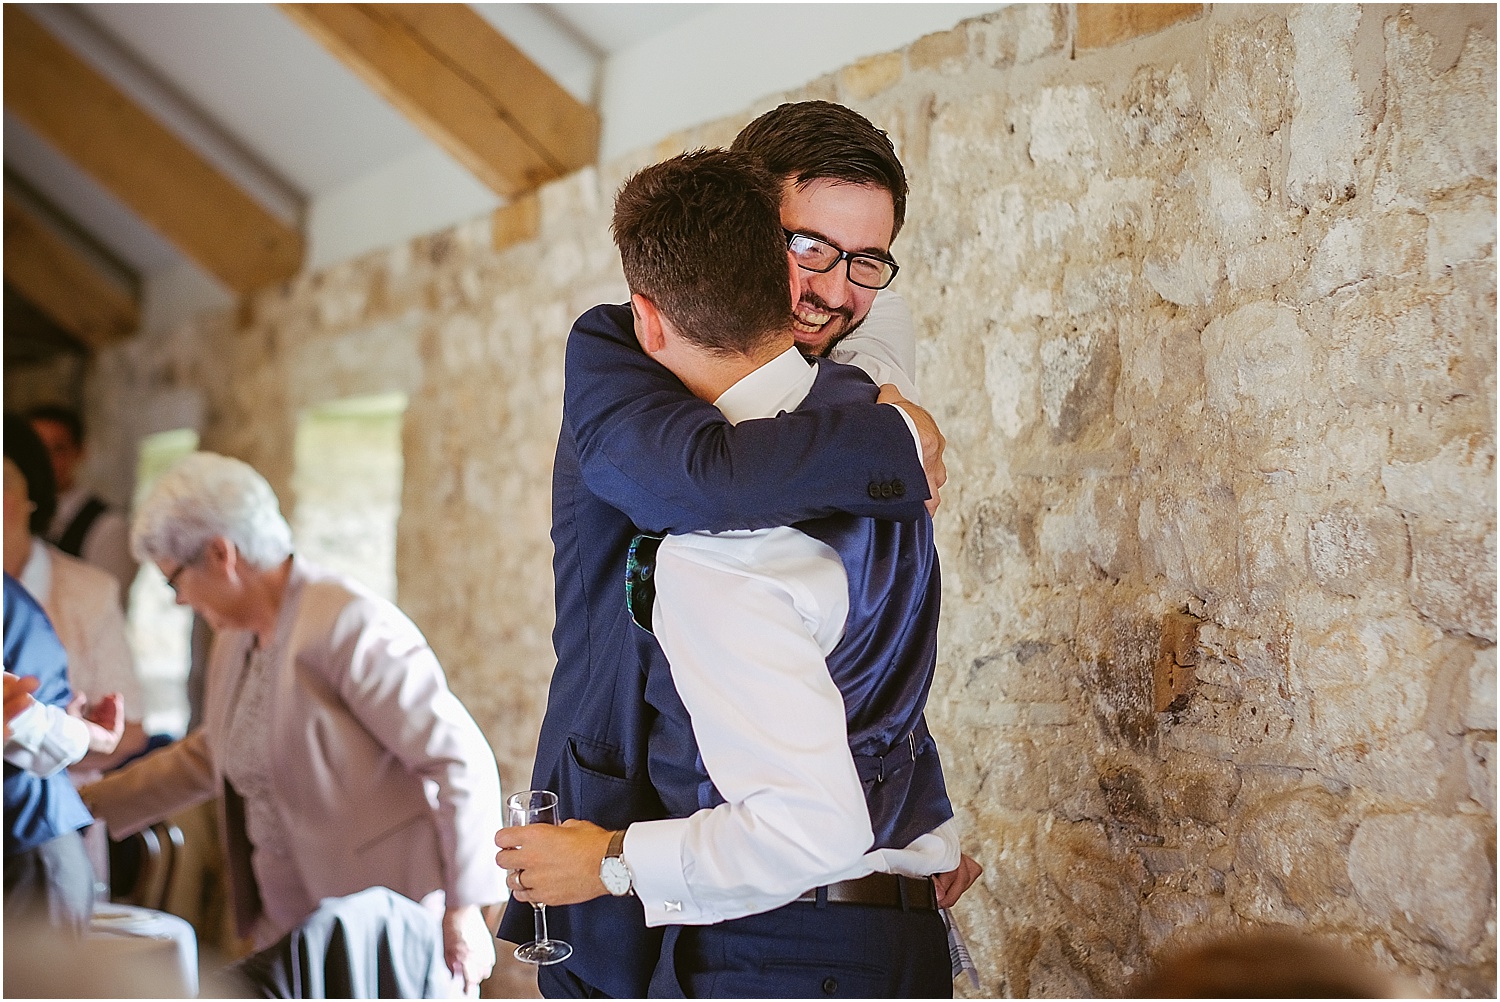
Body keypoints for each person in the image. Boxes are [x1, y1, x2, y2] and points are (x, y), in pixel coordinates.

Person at [499, 101, 966, 999]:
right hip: (621, 791)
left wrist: (908, 833)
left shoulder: (860, 356)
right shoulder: (621, 346)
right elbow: (697, 484)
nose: (835, 289)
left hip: (758, 872)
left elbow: (859, 632)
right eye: (811, 248)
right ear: (751, 233)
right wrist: (893, 442)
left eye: (866, 260)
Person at [80, 452, 505, 995]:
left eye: (174, 582)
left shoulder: (348, 623)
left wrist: (466, 908)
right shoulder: (236, 636)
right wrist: (83, 807)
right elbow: (214, 753)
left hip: (378, 929)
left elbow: (458, 759)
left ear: (221, 554)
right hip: (286, 929)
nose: (181, 600)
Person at [4, 414, 148, 776]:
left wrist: (69, 746)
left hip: (59, 804)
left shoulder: (90, 591)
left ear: (31, 494)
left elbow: (128, 731)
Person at [4, 574, 123, 935]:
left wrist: (66, 724)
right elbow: (16, 718)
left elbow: (17, 715)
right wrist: (89, 736)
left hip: (29, 844)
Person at [28, 404, 138, 606]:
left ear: (79, 452)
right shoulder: (17, 519)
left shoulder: (108, 527)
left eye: (58, 449)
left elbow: (106, 604)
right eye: (36, 450)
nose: (45, 461)